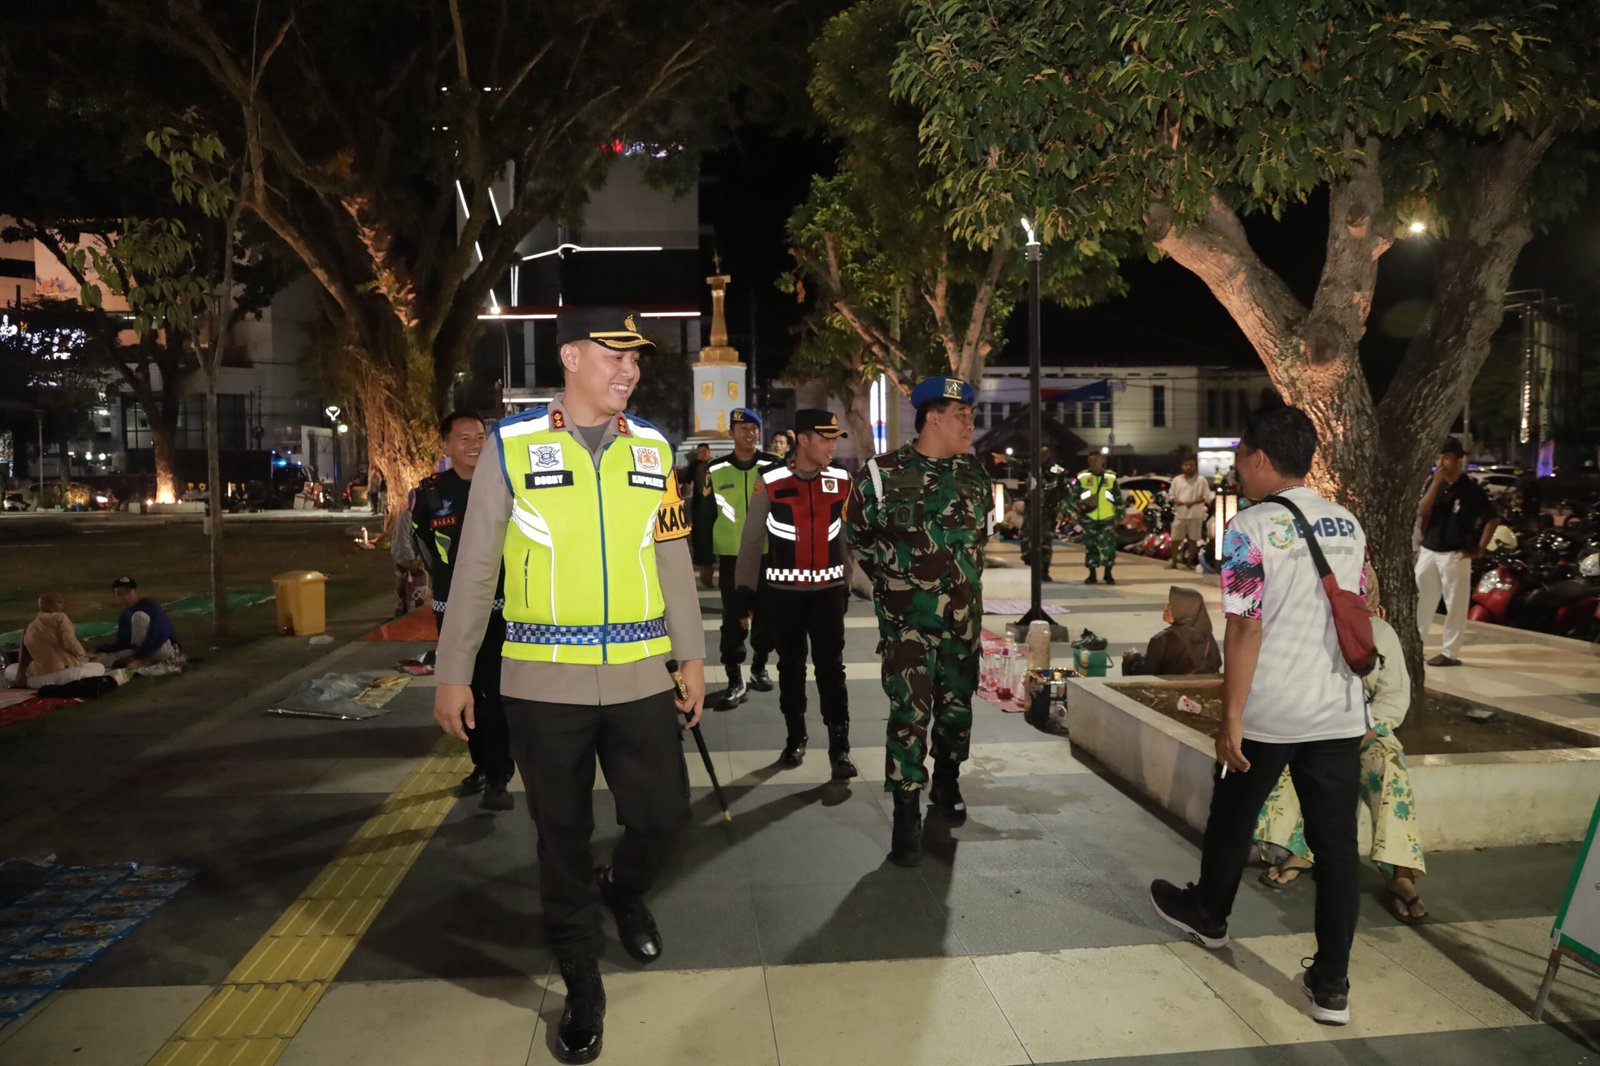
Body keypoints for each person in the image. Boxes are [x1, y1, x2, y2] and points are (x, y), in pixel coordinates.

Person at [431, 306, 704, 1065]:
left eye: (637, 359)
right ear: (572, 356)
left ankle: (623, 887)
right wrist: (455, 671)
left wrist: (692, 656)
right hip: (541, 685)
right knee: (562, 839)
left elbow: (673, 556)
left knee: (664, 818)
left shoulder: (652, 447)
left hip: (641, 676)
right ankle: (583, 981)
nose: (630, 370)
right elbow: (476, 564)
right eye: (615, 356)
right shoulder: (511, 445)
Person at [1149, 405, 1368, 1027]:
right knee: (1337, 850)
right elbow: (1361, 601)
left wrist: (1231, 717)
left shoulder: (1249, 527)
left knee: (1233, 818)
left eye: (1242, 458)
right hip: (1337, 711)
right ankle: (1331, 986)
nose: (1238, 470)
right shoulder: (1348, 523)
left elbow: (1244, 625)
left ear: (1263, 458)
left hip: (1272, 711)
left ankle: (1209, 916)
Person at [846, 376, 993, 867]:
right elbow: (859, 540)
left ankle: (947, 781)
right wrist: (894, 590)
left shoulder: (975, 476)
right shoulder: (882, 475)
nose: (970, 423)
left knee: (956, 708)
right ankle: (906, 809)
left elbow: (979, 543)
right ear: (933, 417)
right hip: (908, 626)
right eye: (960, 415)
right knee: (909, 715)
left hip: (963, 623)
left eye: (971, 415)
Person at [1255, 566, 1428, 923]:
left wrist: (1362, 730)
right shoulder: (1307, 632)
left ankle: (1402, 875)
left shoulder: (1381, 634)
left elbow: (1394, 697)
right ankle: (1301, 851)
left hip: (1365, 733)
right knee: (1295, 758)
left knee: (1388, 764)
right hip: (1314, 730)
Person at [735, 409, 855, 777]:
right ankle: (795, 737)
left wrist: (851, 584)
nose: (832, 446)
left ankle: (840, 748)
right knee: (790, 667)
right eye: (825, 439)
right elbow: (752, 540)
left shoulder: (842, 480)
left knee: (832, 669)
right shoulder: (769, 481)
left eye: (835, 439)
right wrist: (745, 592)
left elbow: (849, 540)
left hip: (829, 594)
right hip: (783, 595)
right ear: (802, 439)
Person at [410, 411, 516, 812]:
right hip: (452, 612)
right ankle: (482, 765)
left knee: (497, 693)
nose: (475, 444)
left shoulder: (507, 487)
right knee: (464, 689)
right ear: (446, 446)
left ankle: (499, 774)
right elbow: (419, 549)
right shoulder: (430, 495)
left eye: (480, 437)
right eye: (464, 438)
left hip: (503, 612)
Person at [707, 408, 778, 709]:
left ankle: (759, 667)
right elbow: (705, 512)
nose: (748, 433)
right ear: (732, 433)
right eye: (742, 428)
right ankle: (734, 680)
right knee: (732, 619)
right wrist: (703, 560)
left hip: (766, 553)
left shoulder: (774, 465)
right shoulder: (716, 469)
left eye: (753, 428)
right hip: (731, 557)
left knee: (766, 616)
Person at [1415, 438, 1499, 667]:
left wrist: (1480, 549)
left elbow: (1492, 518)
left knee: (1455, 604)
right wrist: (1434, 484)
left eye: (1447, 458)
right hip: (1430, 548)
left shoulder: (1471, 488)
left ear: (1459, 460)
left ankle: (1450, 652)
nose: (1442, 463)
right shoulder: (1433, 483)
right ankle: (1416, 643)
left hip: (1456, 552)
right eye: (1439, 457)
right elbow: (1422, 512)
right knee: (1423, 598)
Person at [3, 594, 107, 689]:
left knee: (10, 669)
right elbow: (69, 643)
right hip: (67, 675)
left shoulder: (30, 627)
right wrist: (83, 653)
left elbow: (24, 658)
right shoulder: (60, 617)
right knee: (99, 667)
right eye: (61, 601)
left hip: (40, 680)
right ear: (56, 604)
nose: (65, 604)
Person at [1121, 586, 1221, 676]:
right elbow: (1217, 663)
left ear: (1183, 610)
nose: (1165, 609)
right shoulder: (1207, 636)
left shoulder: (1161, 640)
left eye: (1171, 606)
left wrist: (1133, 658)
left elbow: (1144, 673)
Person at [95, 578, 181, 669]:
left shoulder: (150, 605)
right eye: (120, 594)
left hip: (163, 649)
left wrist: (136, 656)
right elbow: (123, 644)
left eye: (128, 592)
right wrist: (98, 649)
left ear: (136, 592)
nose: (125, 597)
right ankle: (142, 661)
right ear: (115, 597)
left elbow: (158, 636)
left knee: (138, 616)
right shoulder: (125, 615)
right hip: (141, 651)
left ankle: (144, 661)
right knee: (101, 659)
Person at [1074, 451, 1120, 584]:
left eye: (1096, 461)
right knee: (1091, 547)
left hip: (1107, 517)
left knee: (1109, 547)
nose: (1093, 464)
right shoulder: (1083, 477)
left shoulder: (1110, 477)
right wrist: (1075, 508)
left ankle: (1108, 573)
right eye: (1090, 461)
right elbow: (1075, 495)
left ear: (1102, 461)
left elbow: (1117, 496)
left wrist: (1120, 513)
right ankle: (1092, 574)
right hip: (1090, 517)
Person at [1168, 455, 1215, 569]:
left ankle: (1189, 563)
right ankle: (1173, 562)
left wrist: (1192, 503)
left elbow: (1206, 496)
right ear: (1182, 466)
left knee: (1193, 539)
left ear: (1195, 466)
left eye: (1191, 465)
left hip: (1195, 514)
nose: (1188, 467)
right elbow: (1171, 494)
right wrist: (1176, 500)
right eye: (1186, 465)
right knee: (1175, 539)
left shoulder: (1201, 480)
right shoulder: (1177, 480)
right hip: (1180, 514)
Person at [684, 442, 718, 587]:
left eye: (704, 451)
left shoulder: (717, 464)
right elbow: (686, 483)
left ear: (709, 451)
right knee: (702, 541)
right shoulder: (694, 465)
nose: (702, 454)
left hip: (714, 506)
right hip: (699, 507)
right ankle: (705, 576)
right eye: (700, 452)